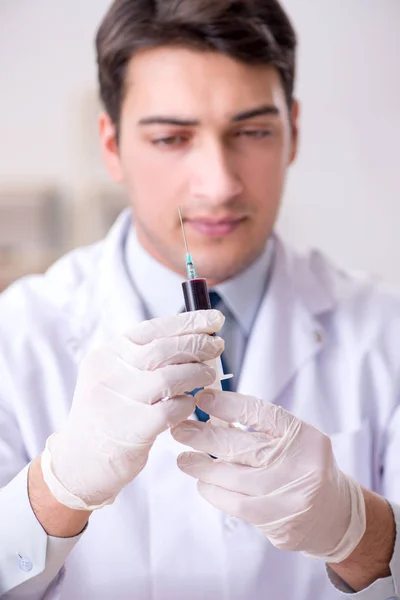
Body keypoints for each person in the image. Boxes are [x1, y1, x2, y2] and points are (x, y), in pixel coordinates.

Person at [1, 0, 399, 598]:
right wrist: (54, 491)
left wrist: (363, 532)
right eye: (170, 137)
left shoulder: (385, 330)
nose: (218, 183)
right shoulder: (16, 334)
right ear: (110, 145)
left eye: (253, 131)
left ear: (293, 132)